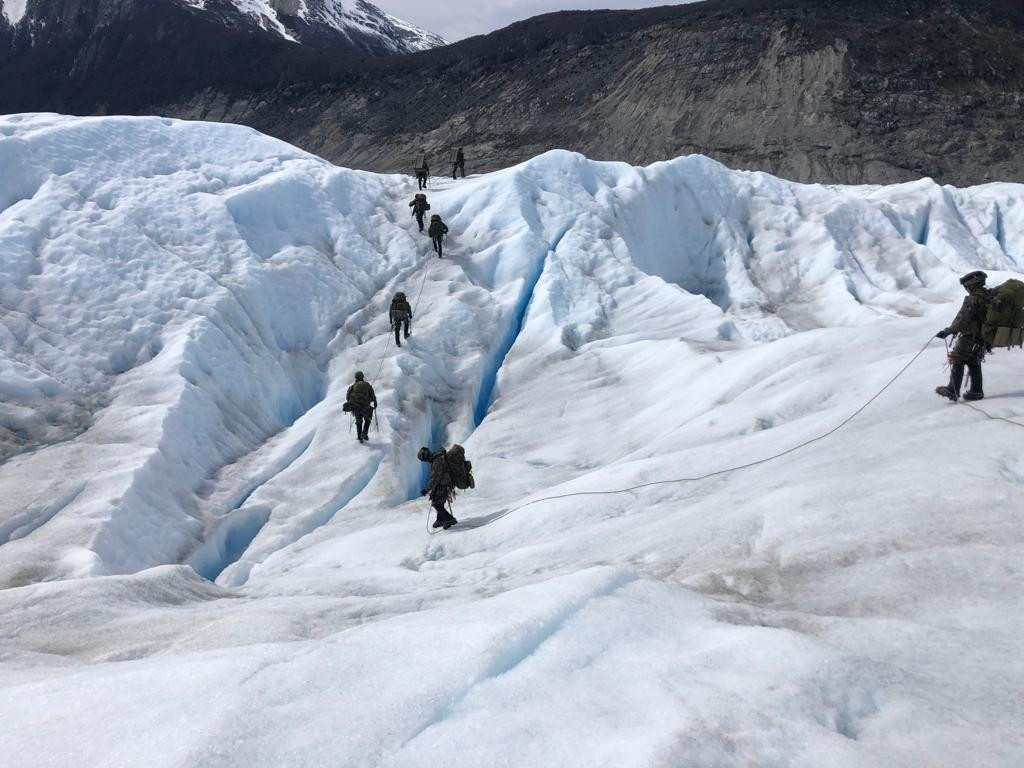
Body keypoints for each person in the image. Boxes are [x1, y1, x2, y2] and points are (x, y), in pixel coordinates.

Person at [936, 270, 989, 402]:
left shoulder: (973, 299)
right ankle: (976, 391)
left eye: (967, 286)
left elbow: (963, 319)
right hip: (983, 337)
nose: (966, 288)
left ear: (972, 285)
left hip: (970, 336)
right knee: (973, 361)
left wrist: (948, 331)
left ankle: (952, 390)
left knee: (957, 359)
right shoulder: (989, 295)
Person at [418, 446, 457, 529]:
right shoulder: (437, 459)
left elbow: (435, 478)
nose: (425, 461)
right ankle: (440, 520)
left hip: (443, 484)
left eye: (423, 459)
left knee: (436, 503)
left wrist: (426, 489)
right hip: (444, 483)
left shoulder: (437, 461)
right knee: (439, 502)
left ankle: (449, 519)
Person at [346, 371, 377, 443]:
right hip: (366, 407)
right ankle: (364, 433)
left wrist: (353, 404)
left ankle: (359, 437)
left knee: (359, 421)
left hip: (356, 408)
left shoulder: (352, 387)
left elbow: (347, 398)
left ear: (355, 378)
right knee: (368, 420)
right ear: (362, 377)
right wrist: (374, 403)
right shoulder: (367, 385)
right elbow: (372, 395)